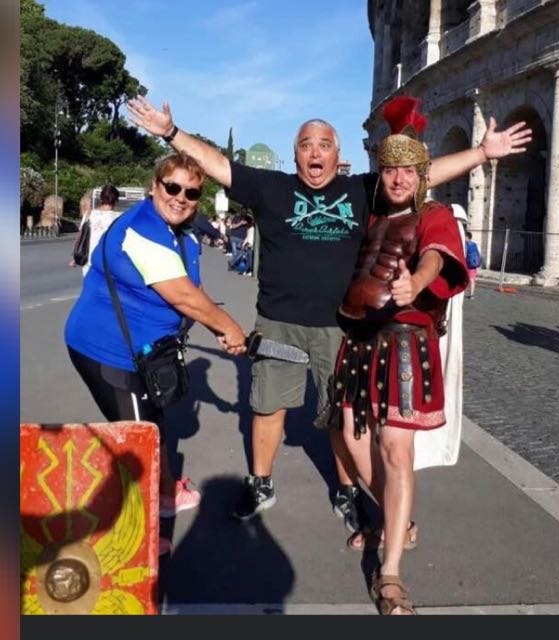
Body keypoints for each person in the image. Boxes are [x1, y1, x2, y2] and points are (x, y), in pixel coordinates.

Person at [127, 94, 531, 532]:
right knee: (267, 407)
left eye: (324, 144)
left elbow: (418, 173)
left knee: (342, 416)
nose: (315, 152)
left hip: (341, 326)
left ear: (338, 154)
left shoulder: (360, 190)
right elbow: (217, 164)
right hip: (279, 320)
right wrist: (170, 132)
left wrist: (481, 153)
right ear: (295, 153)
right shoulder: (271, 187)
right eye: (306, 144)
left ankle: (347, 489)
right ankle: (260, 483)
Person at [64, 152, 247, 554]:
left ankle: (164, 494)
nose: (180, 197)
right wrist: (229, 327)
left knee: (153, 425)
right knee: (136, 446)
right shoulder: (143, 230)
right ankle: (135, 540)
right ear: (154, 186)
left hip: (146, 351)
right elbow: (183, 297)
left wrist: (214, 326)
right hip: (110, 351)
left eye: (191, 192)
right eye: (172, 187)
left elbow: (192, 291)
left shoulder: (181, 231)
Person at [327, 95, 468, 614]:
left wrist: (418, 283)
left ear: (422, 175)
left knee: (395, 450)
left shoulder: (434, 213)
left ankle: (390, 573)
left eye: (409, 170)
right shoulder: (371, 214)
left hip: (405, 342)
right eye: (391, 170)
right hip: (358, 340)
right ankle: (398, 520)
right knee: (348, 438)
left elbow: (436, 254)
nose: (399, 178)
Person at [80, 184, 121, 276]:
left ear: (101, 198)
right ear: (116, 200)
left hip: (89, 260)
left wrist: (75, 256)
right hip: (109, 262)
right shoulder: (118, 218)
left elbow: (81, 235)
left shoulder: (89, 214)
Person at [464, 231, 482, 298]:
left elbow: (464, 255)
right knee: (472, 279)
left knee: (468, 279)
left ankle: (465, 293)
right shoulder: (474, 244)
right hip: (474, 264)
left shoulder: (465, 245)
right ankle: (471, 294)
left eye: (464, 236)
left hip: (467, 264)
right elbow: (478, 254)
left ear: (467, 237)